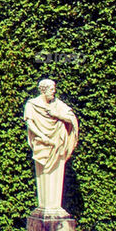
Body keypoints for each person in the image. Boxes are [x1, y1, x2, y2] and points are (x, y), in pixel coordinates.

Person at [23, 79, 78, 214]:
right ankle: (45, 207)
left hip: (58, 144)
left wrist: (57, 115)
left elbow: (71, 118)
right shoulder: (32, 104)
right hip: (42, 144)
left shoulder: (57, 105)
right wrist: (42, 136)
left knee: (57, 174)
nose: (54, 92)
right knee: (44, 175)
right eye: (52, 89)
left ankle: (55, 208)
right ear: (44, 90)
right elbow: (30, 123)